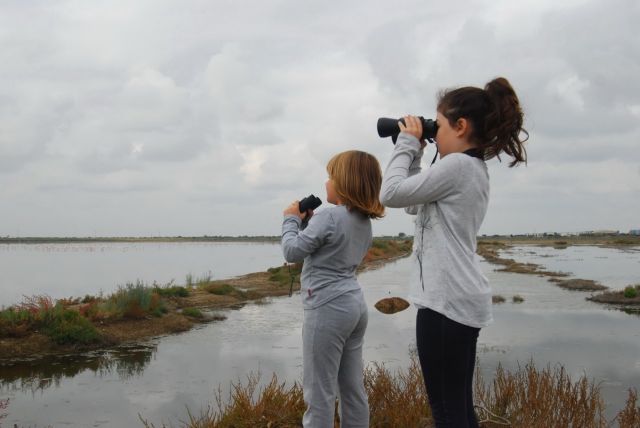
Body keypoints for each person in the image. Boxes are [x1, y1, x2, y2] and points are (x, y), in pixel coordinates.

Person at [379, 77, 528, 428]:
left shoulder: (458, 167)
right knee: (458, 410)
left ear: (461, 126)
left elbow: (390, 194)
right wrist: (417, 152)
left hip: (445, 305)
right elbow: (412, 205)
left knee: (448, 414)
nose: (435, 132)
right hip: (457, 301)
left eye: (439, 125)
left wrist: (404, 142)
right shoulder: (468, 168)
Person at [281, 150, 385, 428]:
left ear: (345, 183)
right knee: (352, 390)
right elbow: (330, 247)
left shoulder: (327, 217)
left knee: (319, 394)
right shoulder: (363, 222)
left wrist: (291, 219)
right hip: (354, 306)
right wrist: (307, 224)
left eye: (330, 176)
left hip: (326, 308)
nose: (326, 182)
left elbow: (292, 251)